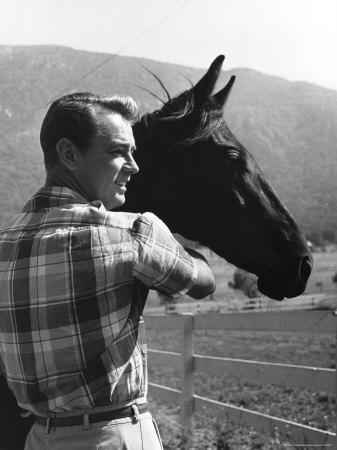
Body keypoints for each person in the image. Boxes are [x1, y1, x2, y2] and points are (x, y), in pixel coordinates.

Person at [0, 92, 215, 449]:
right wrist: (178, 245)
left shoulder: (4, 242)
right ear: (69, 154)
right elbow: (202, 283)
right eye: (118, 152)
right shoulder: (132, 232)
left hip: (38, 438)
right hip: (114, 437)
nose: (134, 165)